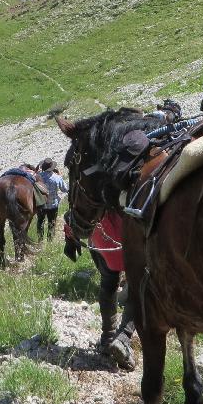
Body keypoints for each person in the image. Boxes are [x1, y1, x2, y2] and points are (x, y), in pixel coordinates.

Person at [64, 211, 136, 371]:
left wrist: (70, 231)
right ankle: (123, 337)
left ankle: (107, 338)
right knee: (140, 288)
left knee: (108, 283)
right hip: (130, 232)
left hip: (99, 233)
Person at [36, 158, 67, 240]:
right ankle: (50, 240)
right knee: (52, 223)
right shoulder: (57, 178)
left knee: (40, 222)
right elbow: (65, 189)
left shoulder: (38, 177)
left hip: (41, 204)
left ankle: (40, 240)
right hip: (53, 205)